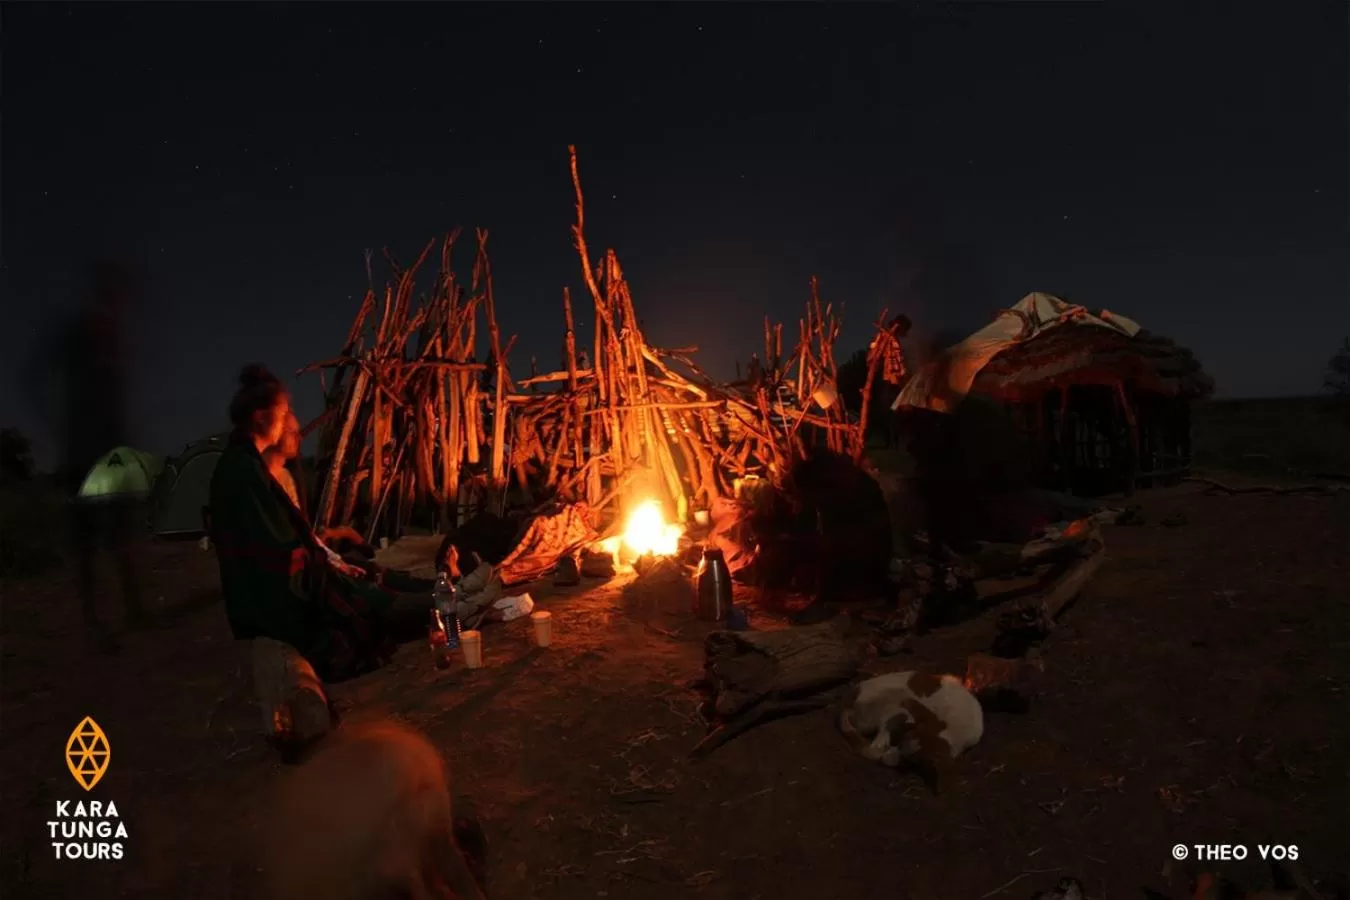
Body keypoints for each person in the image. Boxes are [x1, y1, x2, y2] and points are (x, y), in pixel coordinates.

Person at [209, 365, 434, 683]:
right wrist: (327, 569)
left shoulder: (246, 467)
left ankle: (449, 592)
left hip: (283, 593)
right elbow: (277, 551)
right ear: (261, 418)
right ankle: (452, 600)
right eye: (283, 412)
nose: (288, 421)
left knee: (370, 584)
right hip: (280, 606)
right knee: (368, 607)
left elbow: (285, 540)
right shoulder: (244, 473)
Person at [26, 260, 145, 653]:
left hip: (110, 449)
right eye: (116, 293)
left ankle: (133, 610)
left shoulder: (114, 339)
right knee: (89, 540)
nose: (121, 302)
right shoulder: (80, 333)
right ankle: (95, 620)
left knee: (121, 532)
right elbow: (39, 375)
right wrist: (62, 425)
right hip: (84, 450)